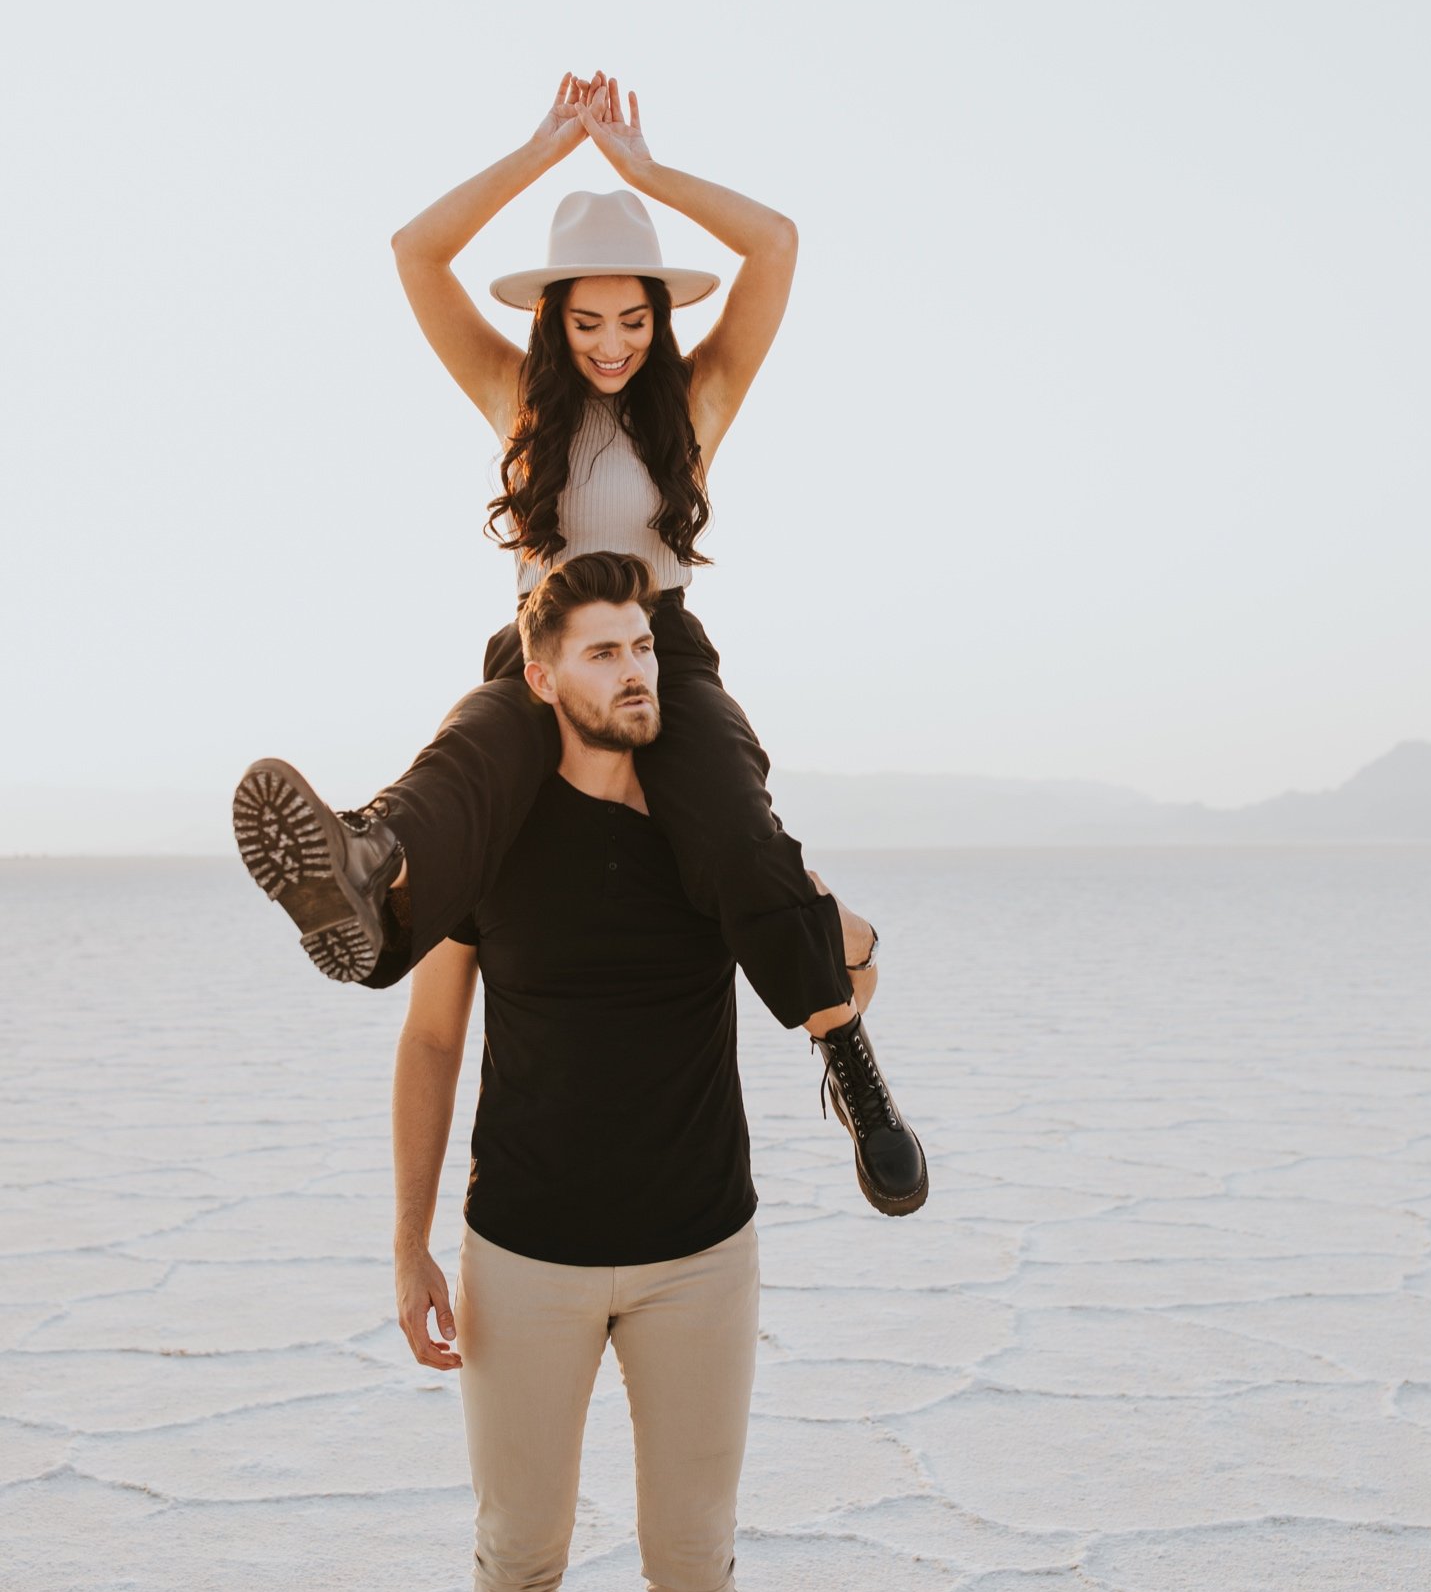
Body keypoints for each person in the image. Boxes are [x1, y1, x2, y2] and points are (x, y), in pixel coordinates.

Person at [233, 71, 926, 1217]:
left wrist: (643, 172)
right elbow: (416, 251)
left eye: (634, 318)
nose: (611, 344)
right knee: (468, 763)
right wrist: (544, 150)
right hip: (542, 646)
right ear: (552, 317)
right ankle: (364, 865)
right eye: (586, 319)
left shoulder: (699, 399)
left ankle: (847, 1053)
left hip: (662, 643)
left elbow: (780, 242)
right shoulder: (516, 397)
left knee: (733, 825)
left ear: (662, 317)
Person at [393, 553, 914, 1592]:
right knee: (518, 1557)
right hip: (525, 1251)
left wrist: (811, 913)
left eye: (643, 648)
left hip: (697, 1254)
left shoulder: (705, 836)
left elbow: (853, 944)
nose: (632, 671)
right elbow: (435, 1043)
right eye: (603, 651)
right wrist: (409, 1240)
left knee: (693, 1562)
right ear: (543, 674)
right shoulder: (498, 836)